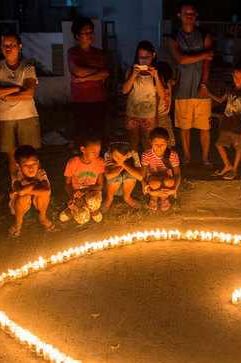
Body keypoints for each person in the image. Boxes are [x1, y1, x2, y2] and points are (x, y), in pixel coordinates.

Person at [0, 32, 41, 177]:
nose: (9, 48)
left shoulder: (27, 68)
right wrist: (17, 89)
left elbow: (29, 93)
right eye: (5, 45)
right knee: (12, 156)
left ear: (19, 47)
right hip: (5, 117)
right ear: (1, 47)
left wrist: (4, 95)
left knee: (30, 155)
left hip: (27, 116)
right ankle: (16, 187)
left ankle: (36, 186)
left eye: (12, 45)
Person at [168, 3, 214, 167]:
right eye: (186, 13)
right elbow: (181, 59)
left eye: (192, 13)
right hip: (182, 88)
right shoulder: (174, 37)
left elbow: (208, 63)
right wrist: (203, 54)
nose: (189, 15)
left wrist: (204, 83)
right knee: (184, 126)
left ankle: (205, 158)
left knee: (204, 126)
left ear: (196, 15)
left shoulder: (204, 34)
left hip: (201, 88)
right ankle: (187, 157)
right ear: (180, 15)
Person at [67, 17, 110, 147]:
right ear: (77, 36)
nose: (89, 35)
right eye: (85, 32)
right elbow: (77, 71)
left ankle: (100, 157)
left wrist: (84, 79)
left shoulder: (98, 53)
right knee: (81, 131)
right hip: (80, 100)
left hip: (98, 98)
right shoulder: (73, 52)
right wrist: (96, 71)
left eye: (91, 32)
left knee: (99, 131)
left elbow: (105, 74)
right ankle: (81, 158)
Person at [208, 64, 241, 180]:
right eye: (235, 77)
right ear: (232, 75)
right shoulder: (231, 90)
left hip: (238, 126)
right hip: (227, 124)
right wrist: (207, 93)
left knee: (238, 148)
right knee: (218, 144)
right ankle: (227, 165)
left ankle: (234, 169)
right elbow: (220, 100)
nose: (237, 80)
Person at [122, 41, 165, 152]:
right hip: (132, 113)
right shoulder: (131, 71)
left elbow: (162, 94)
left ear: (153, 56)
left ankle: (147, 166)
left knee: (147, 142)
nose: (144, 60)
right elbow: (124, 91)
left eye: (147, 57)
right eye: (141, 57)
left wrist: (155, 76)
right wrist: (133, 76)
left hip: (149, 115)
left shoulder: (157, 73)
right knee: (133, 143)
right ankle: (134, 166)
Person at [8, 145, 53, 237]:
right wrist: (35, 184)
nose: (31, 168)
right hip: (21, 208)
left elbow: (47, 191)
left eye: (33, 164)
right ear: (18, 166)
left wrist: (26, 190)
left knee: (44, 194)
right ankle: (18, 222)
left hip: (38, 205)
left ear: (37, 162)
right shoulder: (17, 175)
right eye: (26, 165)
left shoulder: (40, 173)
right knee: (23, 196)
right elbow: (21, 193)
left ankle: (42, 216)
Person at [60, 135, 105, 224]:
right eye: (94, 152)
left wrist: (86, 190)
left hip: (92, 192)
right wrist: (72, 197)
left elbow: (100, 186)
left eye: (99, 151)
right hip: (77, 194)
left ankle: (93, 210)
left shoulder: (99, 162)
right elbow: (67, 184)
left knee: (93, 201)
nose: (97, 154)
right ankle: (72, 208)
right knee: (82, 218)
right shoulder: (72, 163)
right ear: (83, 149)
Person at [141, 127, 181, 211]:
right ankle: (154, 199)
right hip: (152, 179)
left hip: (167, 178)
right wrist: (150, 191)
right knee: (155, 183)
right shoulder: (146, 155)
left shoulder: (172, 155)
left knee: (168, 181)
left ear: (167, 143)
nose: (159, 147)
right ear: (150, 142)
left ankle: (164, 199)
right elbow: (142, 176)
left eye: (162, 144)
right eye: (156, 144)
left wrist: (174, 189)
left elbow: (177, 174)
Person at [102, 138, 143, 212]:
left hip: (126, 188)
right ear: (111, 151)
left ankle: (127, 198)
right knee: (115, 175)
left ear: (127, 154)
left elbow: (140, 176)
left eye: (122, 156)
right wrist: (122, 165)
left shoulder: (133, 154)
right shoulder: (108, 154)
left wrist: (122, 164)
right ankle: (109, 198)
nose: (118, 159)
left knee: (130, 174)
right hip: (111, 188)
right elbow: (108, 175)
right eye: (116, 156)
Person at [156, 61, 177, 147]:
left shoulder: (168, 85)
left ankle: (167, 157)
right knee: (159, 140)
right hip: (158, 117)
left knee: (169, 141)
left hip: (166, 116)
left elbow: (175, 82)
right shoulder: (157, 88)